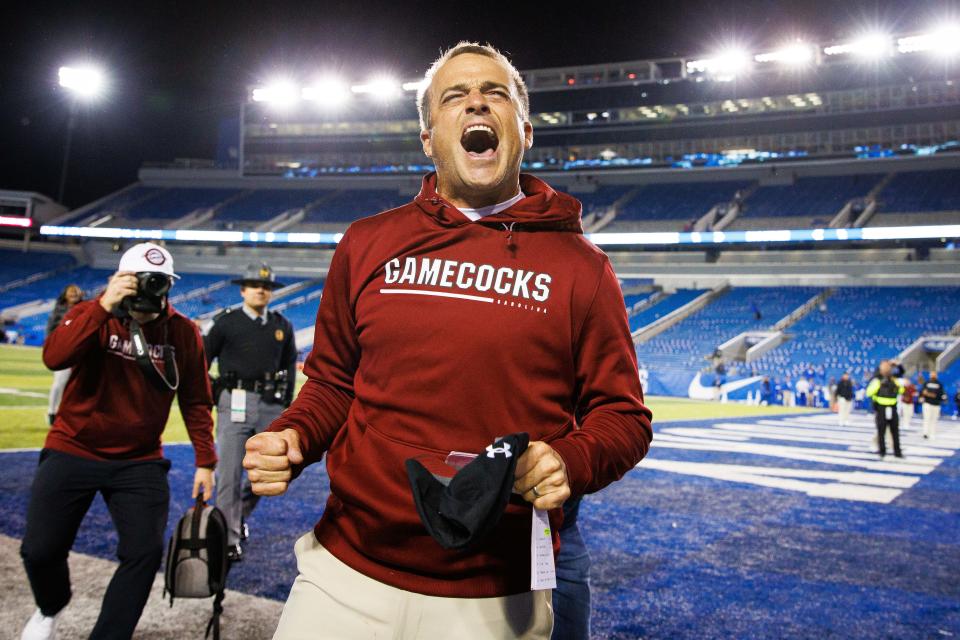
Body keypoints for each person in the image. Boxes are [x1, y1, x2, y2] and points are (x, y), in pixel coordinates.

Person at [242, 42, 653, 639]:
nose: (476, 103)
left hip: (496, 592)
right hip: (345, 572)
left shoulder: (583, 269)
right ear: (430, 138)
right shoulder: (366, 242)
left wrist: (571, 458)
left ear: (525, 130)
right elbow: (332, 383)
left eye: (496, 94)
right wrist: (294, 435)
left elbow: (624, 416)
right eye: (454, 96)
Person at [19, 242, 216, 640]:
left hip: (139, 459)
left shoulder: (183, 331)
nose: (149, 288)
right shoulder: (95, 314)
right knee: (39, 550)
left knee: (143, 554)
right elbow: (54, 357)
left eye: (158, 282)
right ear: (119, 279)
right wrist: (105, 304)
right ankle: (50, 605)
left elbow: (196, 399)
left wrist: (206, 461)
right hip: (74, 445)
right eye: (139, 279)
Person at [204, 263, 296, 561]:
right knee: (229, 472)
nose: (261, 290)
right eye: (255, 285)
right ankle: (228, 537)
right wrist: (210, 396)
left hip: (271, 404)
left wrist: (286, 408)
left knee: (270, 472)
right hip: (235, 401)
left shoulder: (282, 326)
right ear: (243, 290)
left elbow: (289, 366)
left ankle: (237, 516)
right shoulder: (225, 323)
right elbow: (200, 362)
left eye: (266, 286)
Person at [44, 284, 84, 426]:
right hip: (64, 349)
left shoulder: (85, 308)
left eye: (76, 293)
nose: (74, 295)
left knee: (77, 384)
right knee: (59, 382)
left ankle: (69, 413)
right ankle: (52, 412)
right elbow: (50, 329)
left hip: (80, 351)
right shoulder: (59, 310)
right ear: (65, 295)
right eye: (71, 293)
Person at [866, 360, 904, 459]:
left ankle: (897, 451)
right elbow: (869, 392)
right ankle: (882, 451)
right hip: (881, 408)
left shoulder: (894, 379)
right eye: (884, 366)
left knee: (894, 431)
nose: (887, 368)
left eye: (888, 367)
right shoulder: (877, 379)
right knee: (881, 431)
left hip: (892, 408)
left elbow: (901, 388)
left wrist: (897, 365)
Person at [920, 371, 946, 440]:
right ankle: (925, 433)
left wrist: (935, 396)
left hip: (936, 404)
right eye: (932, 374)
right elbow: (922, 392)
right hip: (927, 403)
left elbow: (941, 394)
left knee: (934, 420)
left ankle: (932, 433)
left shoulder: (939, 384)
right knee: (926, 418)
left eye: (934, 374)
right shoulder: (926, 383)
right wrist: (927, 395)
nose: (933, 376)